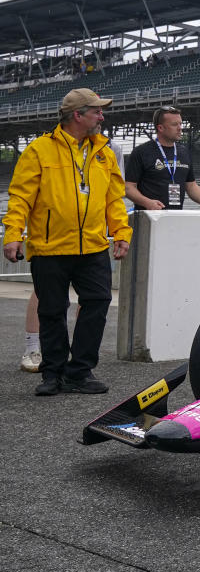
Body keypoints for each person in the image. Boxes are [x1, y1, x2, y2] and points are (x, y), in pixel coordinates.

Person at [1, 88, 131, 396]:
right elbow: (20, 197)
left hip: (93, 246)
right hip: (50, 248)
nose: (102, 116)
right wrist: (13, 235)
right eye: (97, 111)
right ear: (78, 115)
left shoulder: (104, 152)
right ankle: (53, 373)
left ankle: (79, 372)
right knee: (51, 310)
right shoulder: (38, 150)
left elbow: (114, 198)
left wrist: (121, 232)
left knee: (98, 303)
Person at [124, 106, 200, 212]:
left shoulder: (184, 152)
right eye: (174, 124)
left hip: (175, 217)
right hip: (149, 217)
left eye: (180, 124)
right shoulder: (141, 152)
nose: (180, 128)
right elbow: (128, 188)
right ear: (160, 128)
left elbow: (191, 186)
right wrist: (147, 202)